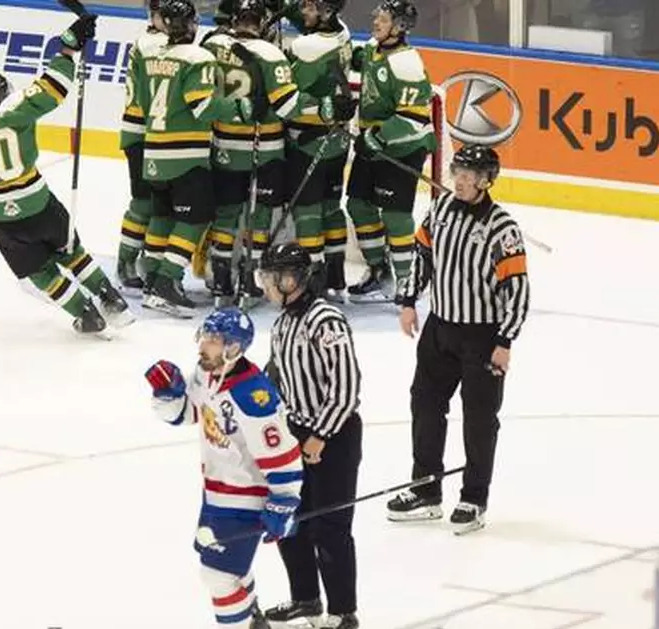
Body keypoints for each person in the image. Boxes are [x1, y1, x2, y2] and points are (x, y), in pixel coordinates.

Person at [0, 10, 134, 337]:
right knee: (72, 252)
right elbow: (52, 86)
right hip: (37, 204)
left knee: (39, 272)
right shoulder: (16, 112)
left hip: (0, 216)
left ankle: (84, 313)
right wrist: (67, 50)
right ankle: (111, 299)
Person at [388, 144, 531, 535]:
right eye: (458, 173)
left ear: (487, 181)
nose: (462, 181)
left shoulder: (503, 228)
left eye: (471, 176)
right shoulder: (440, 210)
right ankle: (426, 489)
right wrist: (408, 301)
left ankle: (474, 497)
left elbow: (516, 288)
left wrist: (505, 340)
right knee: (425, 404)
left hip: (482, 336)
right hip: (440, 328)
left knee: (480, 420)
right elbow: (422, 257)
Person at [144, 307, 304, 629]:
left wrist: (284, 499)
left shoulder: (253, 396)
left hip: (245, 496)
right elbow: (190, 414)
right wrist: (169, 393)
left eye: (214, 341)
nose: (204, 346)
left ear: (233, 347)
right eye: (204, 337)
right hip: (216, 493)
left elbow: (281, 453)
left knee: (218, 576)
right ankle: (254, 621)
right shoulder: (207, 374)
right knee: (234, 571)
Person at [202, 0, 349, 308]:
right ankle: (251, 281)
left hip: (224, 145)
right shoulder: (273, 54)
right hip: (265, 147)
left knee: (227, 215)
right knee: (260, 216)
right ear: (261, 21)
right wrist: (324, 105)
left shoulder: (212, 44)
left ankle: (220, 282)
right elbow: (286, 105)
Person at [258, 243, 363, 629]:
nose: (265, 286)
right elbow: (275, 378)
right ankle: (305, 599)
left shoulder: (326, 320)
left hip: (334, 434)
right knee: (291, 519)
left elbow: (347, 386)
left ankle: (342, 613)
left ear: (291, 280)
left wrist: (319, 435)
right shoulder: (284, 322)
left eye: (270, 279)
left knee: (330, 527)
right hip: (295, 432)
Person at [132, 0, 256, 317]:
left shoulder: (151, 55)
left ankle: (151, 280)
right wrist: (239, 108)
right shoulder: (198, 57)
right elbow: (204, 107)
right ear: (188, 26)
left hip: (153, 151)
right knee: (196, 218)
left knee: (162, 217)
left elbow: (143, 103)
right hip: (185, 156)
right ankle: (166, 282)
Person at [345, 0, 438, 304]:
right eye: (378, 17)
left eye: (383, 19)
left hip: (403, 147)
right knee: (358, 205)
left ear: (399, 27)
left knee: (396, 216)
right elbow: (357, 60)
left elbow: (415, 117)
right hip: (373, 143)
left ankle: (405, 279)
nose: (376, 23)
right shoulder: (374, 47)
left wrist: (377, 135)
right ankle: (377, 269)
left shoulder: (407, 63)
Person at [280, 0, 356, 301]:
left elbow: (288, 101)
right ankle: (336, 276)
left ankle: (313, 277)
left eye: (311, 9)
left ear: (326, 13)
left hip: (308, 140)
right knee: (330, 207)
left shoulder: (305, 47)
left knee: (307, 212)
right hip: (338, 138)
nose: (304, 13)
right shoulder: (344, 33)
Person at [115, 0, 169, 291]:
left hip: (155, 133)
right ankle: (127, 259)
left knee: (157, 203)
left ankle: (148, 261)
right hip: (142, 133)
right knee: (144, 203)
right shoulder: (152, 44)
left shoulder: (157, 41)